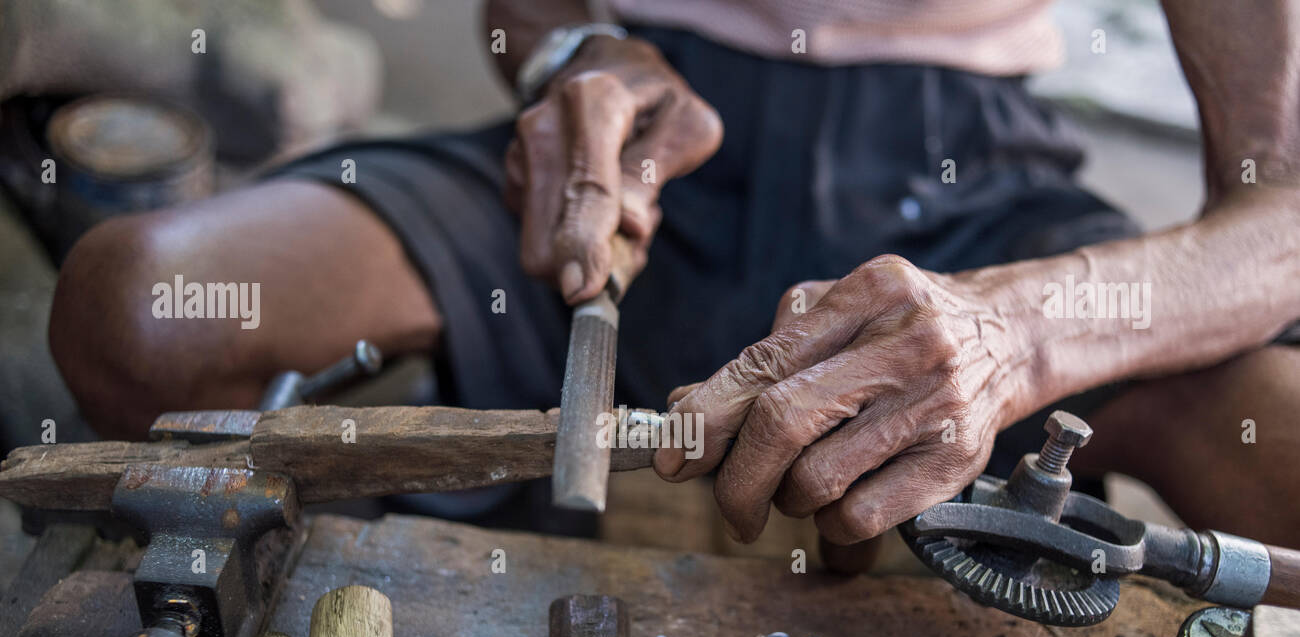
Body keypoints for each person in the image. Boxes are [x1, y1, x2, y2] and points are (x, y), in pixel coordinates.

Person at [49, 0, 1300, 547]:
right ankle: (351, 608)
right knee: (140, 313)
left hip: (966, 198)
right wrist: (573, 62)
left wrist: (1019, 330)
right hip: (640, 152)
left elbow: (1279, 214)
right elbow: (518, 9)